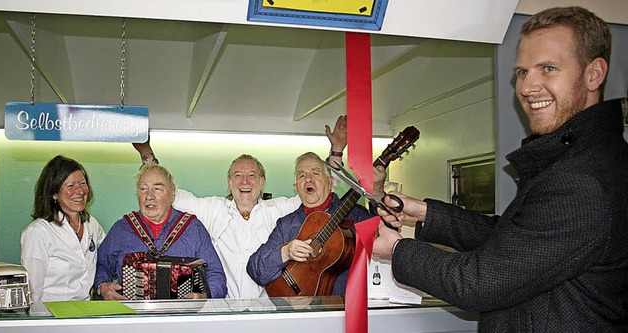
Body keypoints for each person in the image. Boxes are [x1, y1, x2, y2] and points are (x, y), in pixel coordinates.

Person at [373, 6, 628, 332]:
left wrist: (396, 250)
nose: (527, 87)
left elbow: (477, 283)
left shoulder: (581, 180)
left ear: (594, 74)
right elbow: (512, 242)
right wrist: (424, 213)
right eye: (521, 72)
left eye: (548, 68)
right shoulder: (585, 160)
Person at [132, 116, 349, 299]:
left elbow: (318, 192)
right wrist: (147, 155)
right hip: (225, 313)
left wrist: (337, 150)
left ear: (262, 182)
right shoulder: (213, 209)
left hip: (270, 313)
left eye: (252, 176)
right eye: (238, 176)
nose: (245, 182)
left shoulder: (280, 210)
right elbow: (170, 196)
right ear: (229, 183)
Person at [247, 152, 373, 296]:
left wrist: (380, 194)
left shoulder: (356, 215)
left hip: (344, 311)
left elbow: (387, 245)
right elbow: (255, 270)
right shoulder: (287, 224)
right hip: (298, 312)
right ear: (296, 187)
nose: (308, 179)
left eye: (315, 173)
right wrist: (285, 252)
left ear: (330, 181)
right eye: (302, 175)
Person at [94, 164, 227, 299]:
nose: (149, 196)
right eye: (143, 189)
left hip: (181, 316)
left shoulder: (193, 228)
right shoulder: (121, 230)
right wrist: (102, 286)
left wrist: (204, 296)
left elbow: (215, 274)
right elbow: (101, 265)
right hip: (133, 315)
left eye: (157, 189)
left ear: (172, 194)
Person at [21, 155, 106, 308]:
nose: (79, 191)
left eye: (82, 183)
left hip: (85, 312)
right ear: (54, 193)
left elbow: (107, 258)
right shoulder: (37, 232)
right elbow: (32, 292)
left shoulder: (91, 224)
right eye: (70, 186)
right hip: (50, 317)